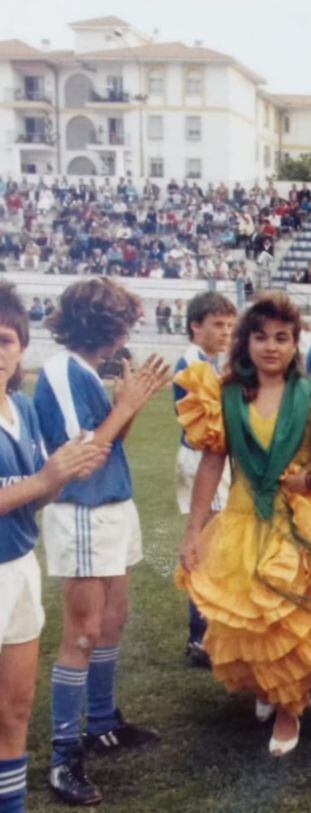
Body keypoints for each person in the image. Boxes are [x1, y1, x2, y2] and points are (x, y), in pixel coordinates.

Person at [175, 292, 311, 757]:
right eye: (260, 336)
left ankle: (290, 709)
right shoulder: (225, 395)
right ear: (245, 341)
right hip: (244, 518)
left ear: (296, 344)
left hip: (306, 517)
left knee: (294, 615)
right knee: (256, 616)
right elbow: (212, 463)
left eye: (281, 338)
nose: (271, 347)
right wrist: (194, 530)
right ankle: (269, 689)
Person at [33, 278, 172, 806]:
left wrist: (127, 406)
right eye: (124, 321)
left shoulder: (86, 371)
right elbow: (82, 456)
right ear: (104, 324)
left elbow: (112, 444)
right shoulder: (61, 370)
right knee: (84, 631)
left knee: (113, 618)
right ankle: (65, 754)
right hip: (83, 511)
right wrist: (126, 403)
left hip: (112, 506)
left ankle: (103, 721)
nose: (128, 331)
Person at [0, 283, 106, 813]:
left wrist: (62, 475)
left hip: (18, 568)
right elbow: (37, 484)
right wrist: (45, 481)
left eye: (4, 341)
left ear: (21, 349)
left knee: (15, 710)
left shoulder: (19, 406)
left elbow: (38, 491)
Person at [173, 292, 237, 668]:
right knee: (206, 546)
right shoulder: (192, 363)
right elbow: (211, 420)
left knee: (214, 545)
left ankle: (206, 630)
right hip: (201, 459)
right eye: (217, 325)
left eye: (230, 325)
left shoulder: (208, 362)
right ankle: (200, 636)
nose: (226, 332)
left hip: (207, 458)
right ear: (196, 325)